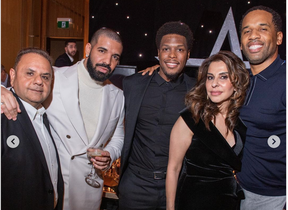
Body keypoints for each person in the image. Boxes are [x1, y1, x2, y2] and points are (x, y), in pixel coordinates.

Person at [1, 27, 125, 210]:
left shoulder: (118, 95)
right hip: (53, 183)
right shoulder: (54, 76)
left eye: (115, 57)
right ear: (88, 49)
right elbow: (25, 85)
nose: (107, 61)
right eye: (102, 51)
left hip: (90, 187)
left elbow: (118, 136)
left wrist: (110, 155)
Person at [118, 21, 196, 210]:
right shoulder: (133, 85)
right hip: (135, 185)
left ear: (188, 55)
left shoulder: (197, 91)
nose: (172, 55)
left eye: (179, 50)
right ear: (158, 53)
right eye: (166, 49)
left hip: (178, 185)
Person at [166, 51, 250, 210]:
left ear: (236, 81)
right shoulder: (191, 119)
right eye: (210, 77)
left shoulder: (239, 123)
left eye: (223, 77)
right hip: (193, 202)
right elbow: (173, 169)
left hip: (228, 202)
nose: (214, 83)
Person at [1, 48, 64, 210]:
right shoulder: (3, 113)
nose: (38, 81)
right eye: (30, 73)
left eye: (45, 76)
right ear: (13, 75)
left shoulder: (45, 116)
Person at [236, 6, 286, 210]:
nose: (253, 36)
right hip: (238, 190)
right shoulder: (240, 81)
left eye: (262, 29)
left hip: (272, 199)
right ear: (240, 43)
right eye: (247, 31)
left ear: (279, 37)